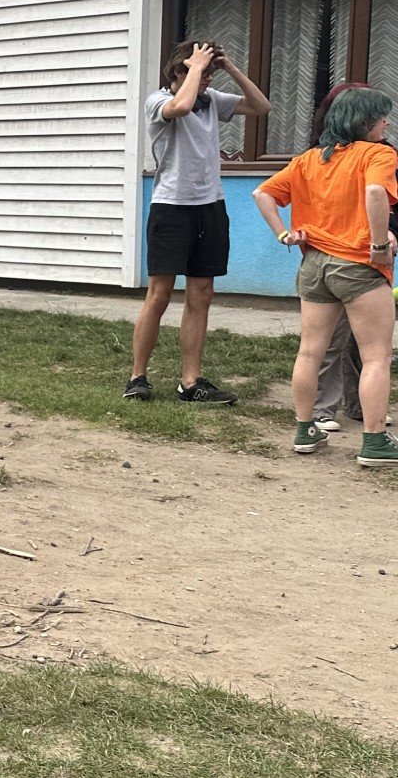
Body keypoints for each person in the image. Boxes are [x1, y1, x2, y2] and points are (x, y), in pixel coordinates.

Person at [253, 88, 398, 466]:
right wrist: (379, 245)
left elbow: (261, 193)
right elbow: (375, 192)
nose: (386, 122)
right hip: (358, 266)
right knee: (376, 357)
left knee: (310, 351)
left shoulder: (308, 159)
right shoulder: (378, 154)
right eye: (382, 117)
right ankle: (375, 442)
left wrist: (283, 235)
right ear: (365, 121)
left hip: (315, 265)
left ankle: (306, 430)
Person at [127, 38, 269, 404]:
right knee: (159, 294)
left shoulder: (212, 99)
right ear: (180, 70)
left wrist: (230, 67)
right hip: (171, 207)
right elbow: (181, 105)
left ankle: (190, 383)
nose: (208, 80)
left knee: (201, 293)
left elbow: (261, 106)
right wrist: (194, 69)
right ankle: (137, 377)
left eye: (210, 74)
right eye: (203, 73)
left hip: (210, 206)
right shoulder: (157, 100)